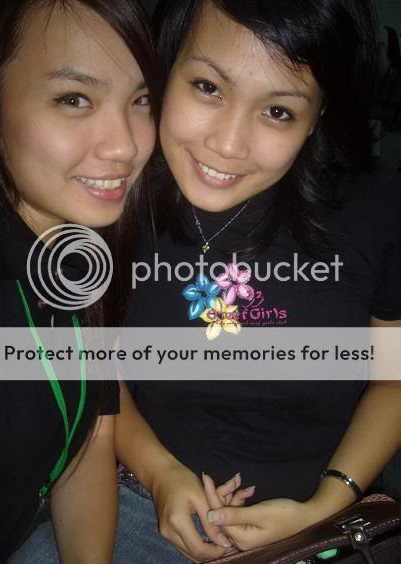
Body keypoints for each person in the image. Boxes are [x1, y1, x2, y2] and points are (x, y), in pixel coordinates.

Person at [112, 0, 401, 562]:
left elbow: (392, 381)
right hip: (144, 502)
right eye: (208, 87)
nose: (228, 144)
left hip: (322, 521)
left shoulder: (373, 205)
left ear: (317, 115)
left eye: (278, 112)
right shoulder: (116, 191)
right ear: (165, 67)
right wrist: (161, 474)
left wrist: (325, 506)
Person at [0, 0, 157, 562]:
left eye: (141, 100)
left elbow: (90, 441)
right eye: (74, 99)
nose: (126, 145)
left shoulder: (80, 251)